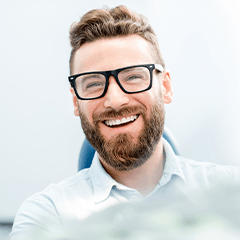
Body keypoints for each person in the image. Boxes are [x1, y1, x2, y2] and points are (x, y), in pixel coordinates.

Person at [10, 5, 240, 240]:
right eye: (93, 83)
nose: (115, 101)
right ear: (75, 100)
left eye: (133, 77)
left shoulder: (233, 192)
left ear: (166, 88)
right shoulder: (48, 215)